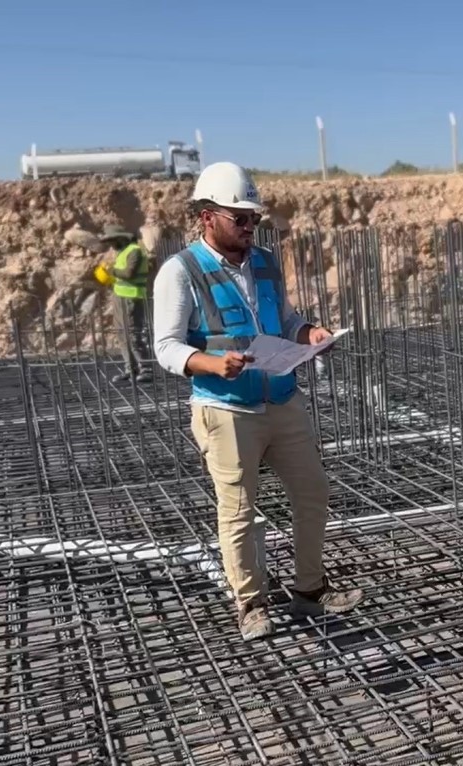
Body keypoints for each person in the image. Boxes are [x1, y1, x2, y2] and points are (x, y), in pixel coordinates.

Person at [151, 161, 362, 641]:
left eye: (253, 219)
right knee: (239, 510)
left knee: (312, 494)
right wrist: (210, 362)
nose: (249, 228)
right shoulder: (180, 272)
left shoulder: (265, 261)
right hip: (226, 409)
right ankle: (251, 604)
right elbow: (166, 347)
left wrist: (309, 332)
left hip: (282, 398)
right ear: (207, 217)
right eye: (238, 218)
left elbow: (284, 320)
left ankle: (309, 590)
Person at [98, 225, 153, 384]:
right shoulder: (122, 252)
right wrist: (110, 279)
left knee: (133, 334)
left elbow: (129, 273)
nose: (112, 245)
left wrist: (112, 271)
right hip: (120, 297)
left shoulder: (134, 250)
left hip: (132, 298)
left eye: (113, 241)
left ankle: (145, 369)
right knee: (122, 334)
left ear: (121, 238)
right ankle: (131, 369)